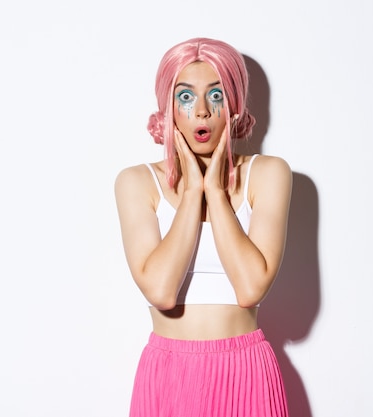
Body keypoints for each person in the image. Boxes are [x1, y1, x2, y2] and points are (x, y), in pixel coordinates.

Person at [115, 37, 293, 417]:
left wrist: (214, 188)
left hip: (246, 372)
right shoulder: (136, 183)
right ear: (168, 108)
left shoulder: (268, 174)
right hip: (168, 375)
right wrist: (193, 189)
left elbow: (250, 287)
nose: (201, 112)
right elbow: (161, 291)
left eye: (216, 96)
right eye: (185, 97)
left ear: (234, 104)